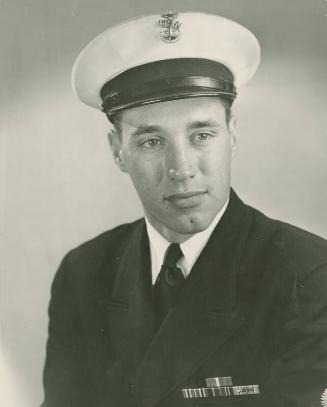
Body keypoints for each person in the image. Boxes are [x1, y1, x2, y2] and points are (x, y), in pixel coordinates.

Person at [41, 11, 327, 407]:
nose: (182, 169)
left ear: (232, 135)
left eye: (202, 135)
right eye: (152, 142)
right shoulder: (83, 273)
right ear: (117, 152)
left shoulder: (309, 274)